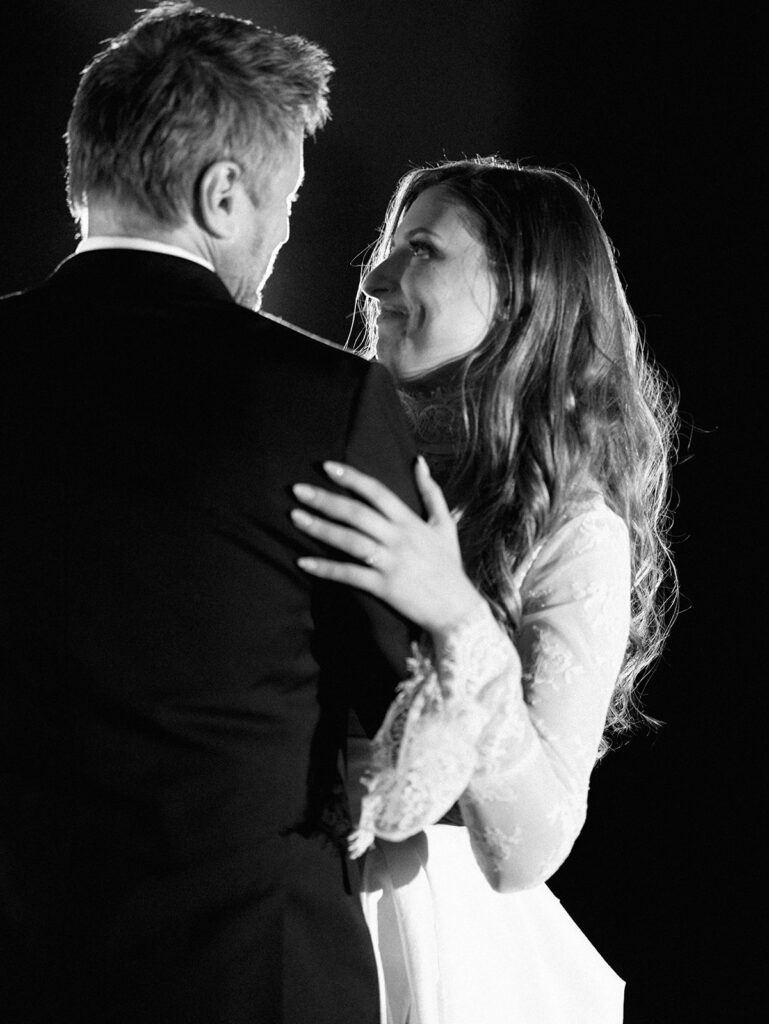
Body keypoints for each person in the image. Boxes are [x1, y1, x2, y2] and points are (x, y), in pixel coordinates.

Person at [0, 4, 426, 1022]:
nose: (283, 233)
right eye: (286, 202)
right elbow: (409, 718)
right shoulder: (325, 403)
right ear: (224, 194)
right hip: (244, 975)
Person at [290, 157, 678, 1023]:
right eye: (386, 249)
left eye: (420, 250)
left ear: (518, 300)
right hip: (270, 901)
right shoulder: (329, 460)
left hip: (424, 939)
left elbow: (529, 847)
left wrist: (456, 615)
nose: (376, 278)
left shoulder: (572, 530)